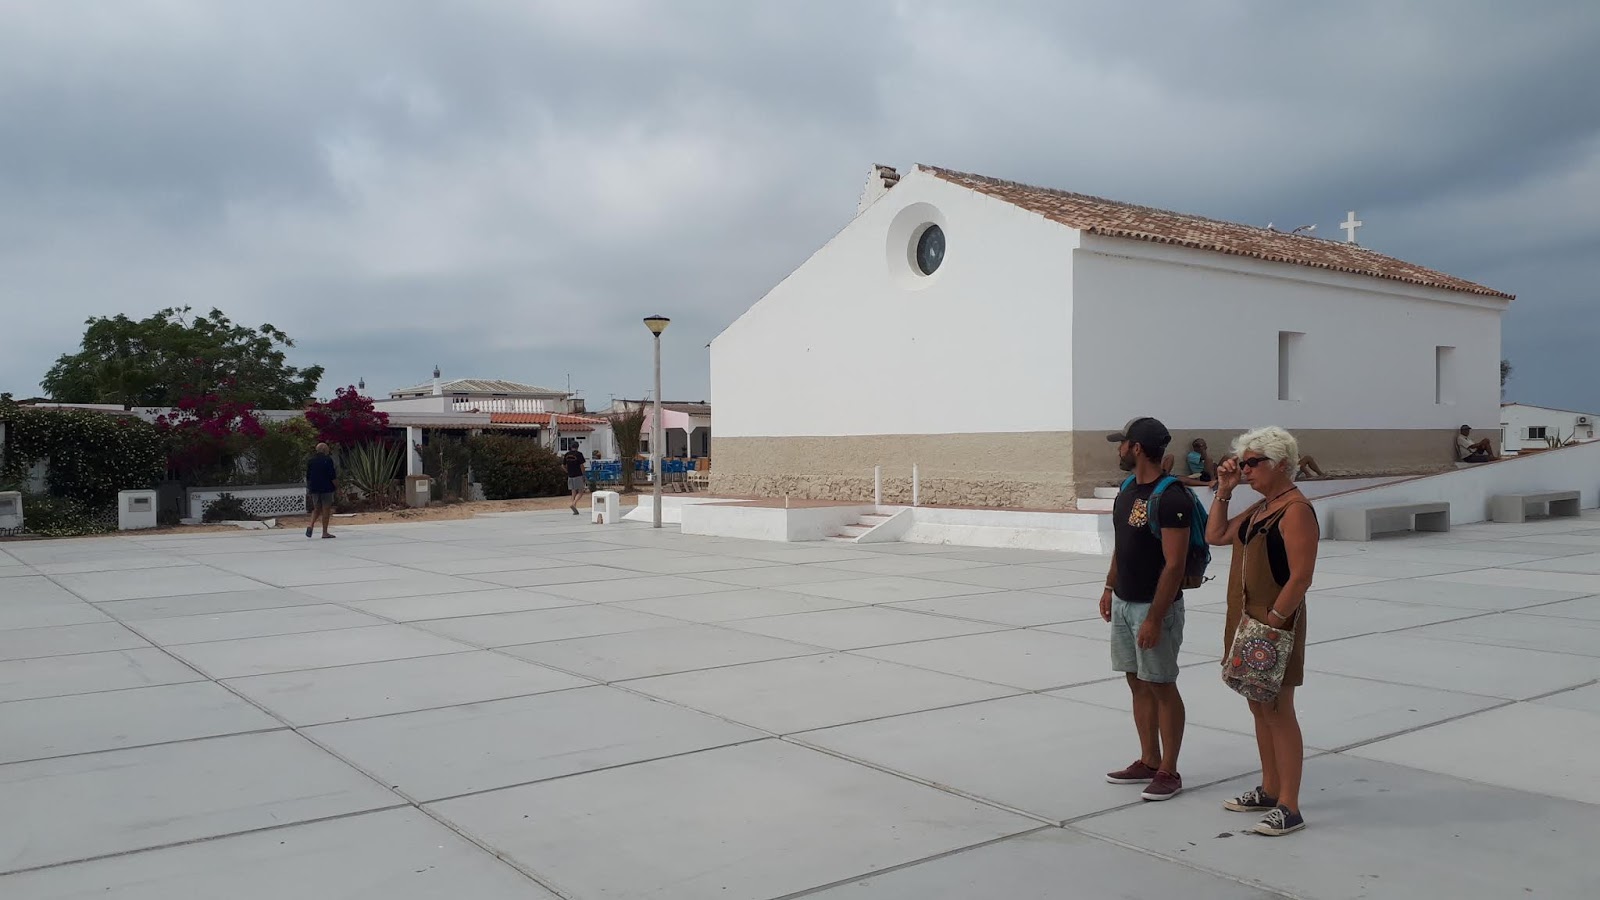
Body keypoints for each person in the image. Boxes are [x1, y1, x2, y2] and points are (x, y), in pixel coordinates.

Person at [1207, 426, 1318, 837]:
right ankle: (1270, 789)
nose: (1246, 470)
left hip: (1273, 629)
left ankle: (1290, 805)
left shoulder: (1295, 510)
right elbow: (1216, 535)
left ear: (1281, 464)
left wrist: (1274, 620)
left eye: (1254, 462)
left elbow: (1301, 576)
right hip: (1247, 625)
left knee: (1278, 710)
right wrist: (1224, 490)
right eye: (1244, 463)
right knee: (1258, 705)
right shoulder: (1262, 508)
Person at [1101, 416, 1192, 802]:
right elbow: (1122, 546)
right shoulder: (1126, 490)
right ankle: (1149, 760)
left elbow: (1174, 564)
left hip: (1155, 610)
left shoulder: (1171, 498)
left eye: (1122, 443)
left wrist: (1155, 617)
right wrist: (1109, 587)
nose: (1119, 449)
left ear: (1136, 448)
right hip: (1124, 602)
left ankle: (1169, 770)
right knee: (1137, 681)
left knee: (1161, 685)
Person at [305, 442, 338, 539]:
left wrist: (309, 488)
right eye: (327, 449)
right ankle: (324, 532)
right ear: (324, 450)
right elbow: (332, 475)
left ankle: (311, 525)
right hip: (326, 487)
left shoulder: (311, 461)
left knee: (316, 508)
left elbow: (308, 476)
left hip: (314, 488)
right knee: (326, 509)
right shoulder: (328, 460)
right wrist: (338, 487)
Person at [563, 445, 588, 515]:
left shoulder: (567, 454)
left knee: (573, 492)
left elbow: (563, 465)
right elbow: (581, 465)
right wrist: (583, 474)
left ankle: (574, 507)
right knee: (580, 492)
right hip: (578, 475)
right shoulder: (579, 454)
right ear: (577, 447)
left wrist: (567, 471)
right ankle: (574, 503)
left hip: (570, 476)